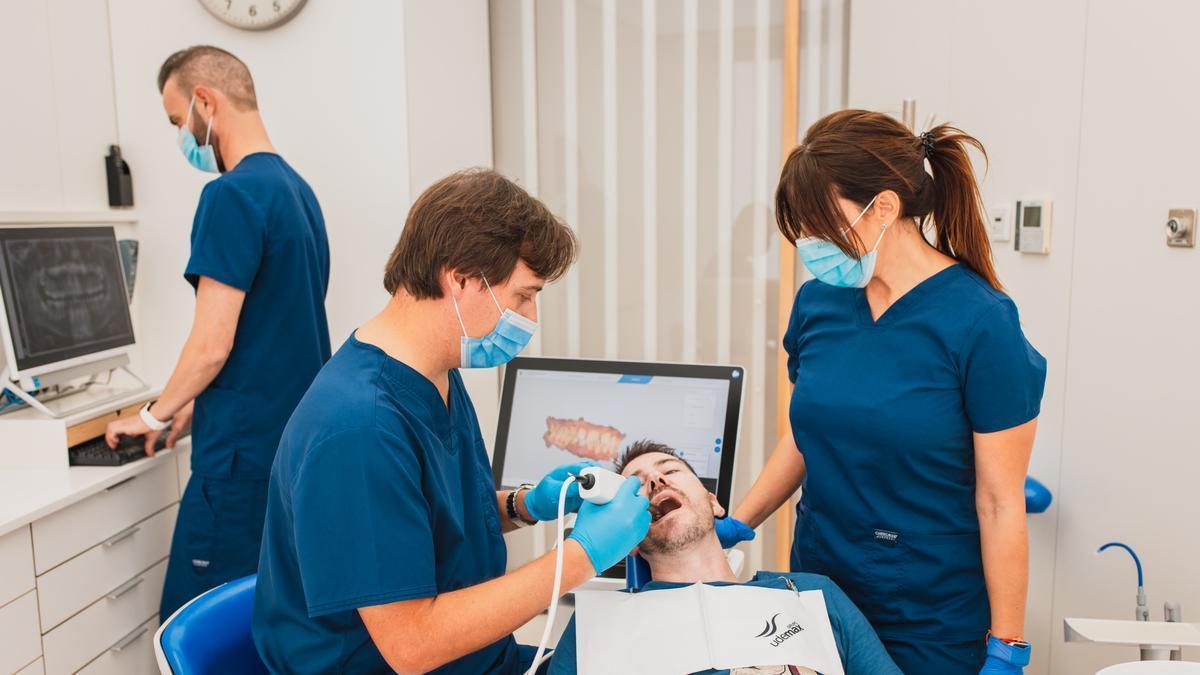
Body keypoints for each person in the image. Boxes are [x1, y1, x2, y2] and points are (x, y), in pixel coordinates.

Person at [252, 169, 653, 674]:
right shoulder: (359, 429)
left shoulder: (434, 371)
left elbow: (433, 525)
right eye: (524, 296)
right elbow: (412, 645)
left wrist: (525, 505)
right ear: (460, 278)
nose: (530, 317)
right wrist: (582, 556)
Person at [723, 110, 1046, 674]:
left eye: (821, 222)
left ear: (886, 208)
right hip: (818, 592)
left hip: (929, 614)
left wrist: (1007, 646)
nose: (808, 242)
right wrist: (739, 521)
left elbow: (999, 502)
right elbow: (807, 436)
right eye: (800, 225)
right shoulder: (819, 303)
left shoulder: (981, 323)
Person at [104, 45, 331, 621]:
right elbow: (273, 331)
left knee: (192, 624)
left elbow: (211, 345)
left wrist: (153, 415)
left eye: (179, 121)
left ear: (206, 100)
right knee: (271, 622)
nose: (182, 134)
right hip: (288, 450)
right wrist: (190, 409)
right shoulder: (298, 193)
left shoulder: (230, 195)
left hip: (238, 465)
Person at [548, 440, 901, 675]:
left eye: (670, 470)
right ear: (630, 539)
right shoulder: (596, 625)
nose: (655, 479)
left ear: (714, 503)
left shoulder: (811, 596)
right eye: (636, 486)